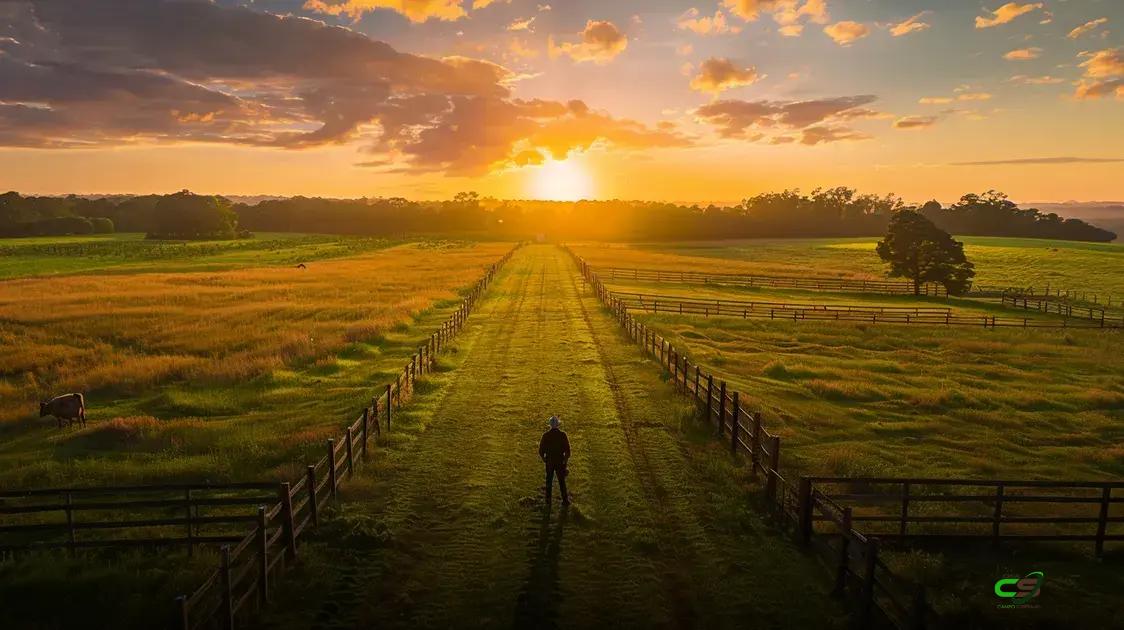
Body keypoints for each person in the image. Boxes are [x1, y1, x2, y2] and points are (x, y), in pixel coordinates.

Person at [538, 415, 571, 505]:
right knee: (562, 481)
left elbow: (541, 451)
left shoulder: (546, 435)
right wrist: (565, 461)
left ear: (550, 425)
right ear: (558, 424)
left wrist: (544, 459)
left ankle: (548, 500)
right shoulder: (563, 435)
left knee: (549, 480)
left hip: (550, 461)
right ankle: (565, 500)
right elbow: (568, 450)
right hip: (560, 460)